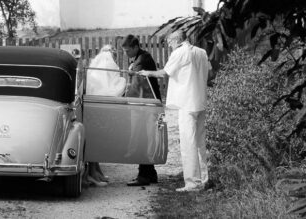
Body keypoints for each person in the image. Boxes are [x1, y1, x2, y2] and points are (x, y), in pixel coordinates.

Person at [131, 29, 211, 192]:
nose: (169, 46)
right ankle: (204, 179)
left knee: (188, 143)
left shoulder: (180, 52)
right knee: (200, 143)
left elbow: (164, 73)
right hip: (200, 102)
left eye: (169, 43)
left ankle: (192, 183)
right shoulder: (201, 52)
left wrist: (147, 72)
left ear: (175, 40)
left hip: (187, 103)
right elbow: (208, 73)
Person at [120, 34, 161, 186]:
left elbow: (134, 73)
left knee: (142, 138)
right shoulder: (139, 58)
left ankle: (143, 176)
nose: (126, 54)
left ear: (136, 47)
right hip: (145, 104)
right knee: (145, 137)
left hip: (147, 105)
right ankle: (150, 174)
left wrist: (130, 70)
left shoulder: (142, 59)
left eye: (127, 50)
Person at [84, 44, 126, 185]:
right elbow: (114, 82)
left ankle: (96, 172)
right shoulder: (109, 62)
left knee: (92, 140)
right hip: (100, 104)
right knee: (95, 141)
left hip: (90, 104)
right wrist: (124, 82)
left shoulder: (96, 62)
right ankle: (91, 175)